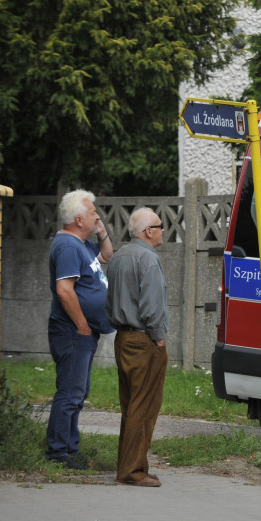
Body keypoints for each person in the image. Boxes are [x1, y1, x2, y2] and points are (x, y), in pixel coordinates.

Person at [46, 190, 114, 469]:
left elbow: (107, 256)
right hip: (72, 332)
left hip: (81, 332)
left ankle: (70, 448)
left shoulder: (82, 244)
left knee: (79, 391)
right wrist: (83, 325)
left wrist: (101, 230)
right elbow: (64, 290)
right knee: (70, 392)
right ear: (77, 218)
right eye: (91, 212)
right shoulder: (68, 247)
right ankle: (58, 452)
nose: (97, 214)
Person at [105, 208, 169, 487]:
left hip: (123, 337)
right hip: (144, 340)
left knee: (131, 404)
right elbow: (152, 307)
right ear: (148, 232)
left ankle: (136, 465)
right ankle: (131, 472)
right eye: (159, 225)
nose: (163, 229)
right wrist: (159, 338)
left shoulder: (118, 257)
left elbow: (109, 300)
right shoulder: (149, 260)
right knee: (144, 406)